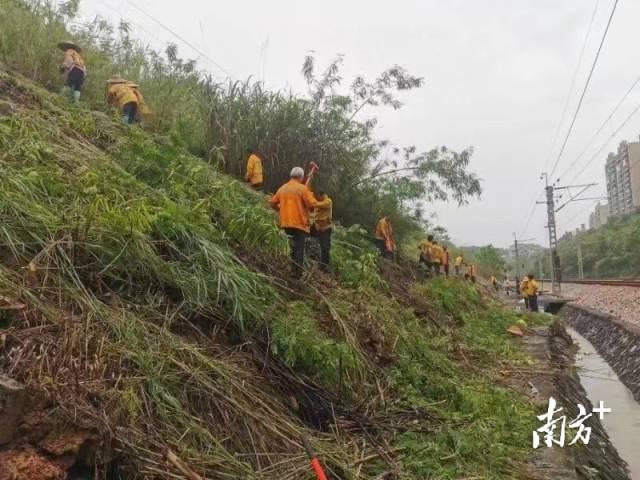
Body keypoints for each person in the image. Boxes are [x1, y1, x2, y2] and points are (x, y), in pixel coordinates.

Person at [270, 167, 329, 278]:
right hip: (299, 224)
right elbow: (312, 204)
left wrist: (282, 209)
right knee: (299, 250)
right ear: (301, 177)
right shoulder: (303, 189)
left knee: (291, 247)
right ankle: (297, 274)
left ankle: (292, 270)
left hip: (286, 223)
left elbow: (272, 202)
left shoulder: (282, 188)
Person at [310, 190, 333, 272]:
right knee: (303, 232)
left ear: (322, 195)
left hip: (325, 228)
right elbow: (314, 214)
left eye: (318, 197)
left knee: (325, 248)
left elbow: (319, 205)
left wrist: (312, 201)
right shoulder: (318, 203)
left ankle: (324, 267)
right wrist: (314, 222)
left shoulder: (328, 201)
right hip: (317, 227)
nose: (317, 199)